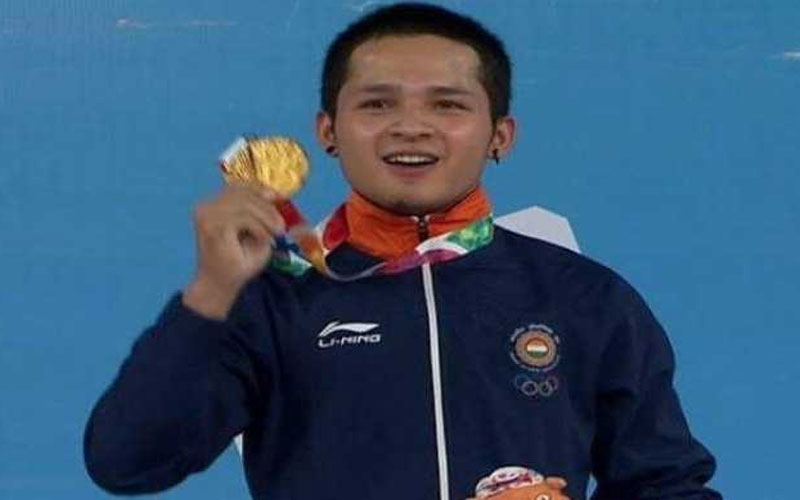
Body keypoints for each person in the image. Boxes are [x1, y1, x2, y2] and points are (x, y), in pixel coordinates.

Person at [83, 3, 722, 500]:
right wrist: (211, 292)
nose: (410, 126)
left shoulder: (584, 296)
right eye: (377, 103)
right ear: (328, 131)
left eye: (447, 105)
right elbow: (127, 463)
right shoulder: (273, 298)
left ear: (500, 135)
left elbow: (663, 483)